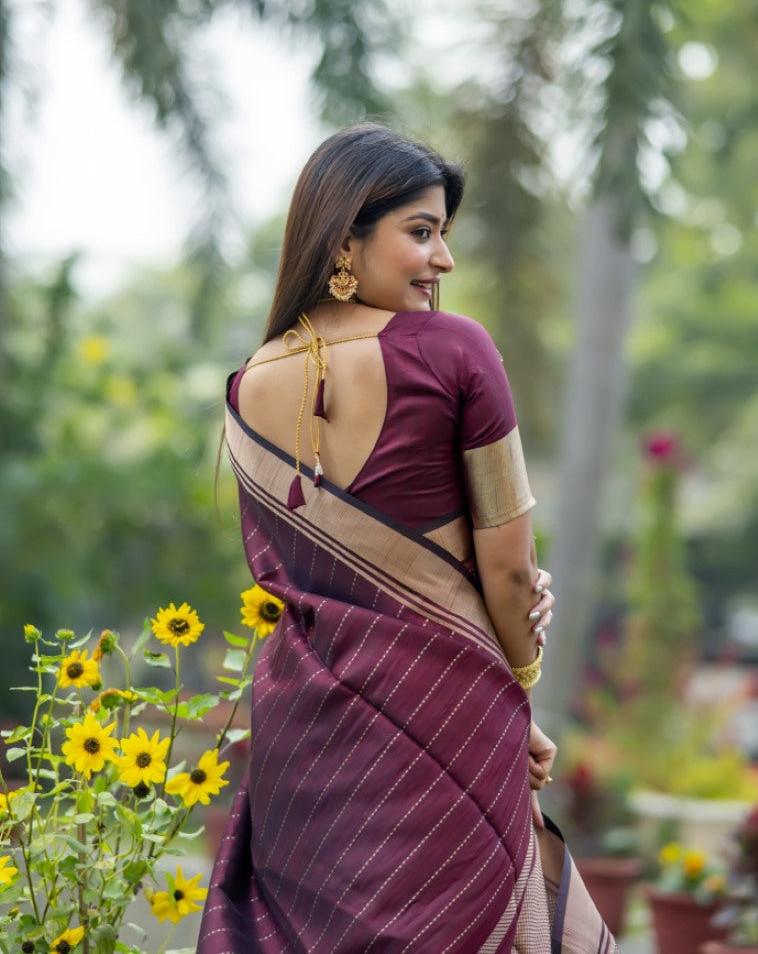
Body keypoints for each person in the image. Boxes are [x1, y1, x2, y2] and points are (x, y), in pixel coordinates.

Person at [197, 123, 616, 952]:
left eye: (443, 236)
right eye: (420, 233)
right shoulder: (456, 351)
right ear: (347, 235)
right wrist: (519, 688)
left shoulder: (249, 385)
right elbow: (508, 572)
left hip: (303, 744)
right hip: (447, 722)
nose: (443, 261)